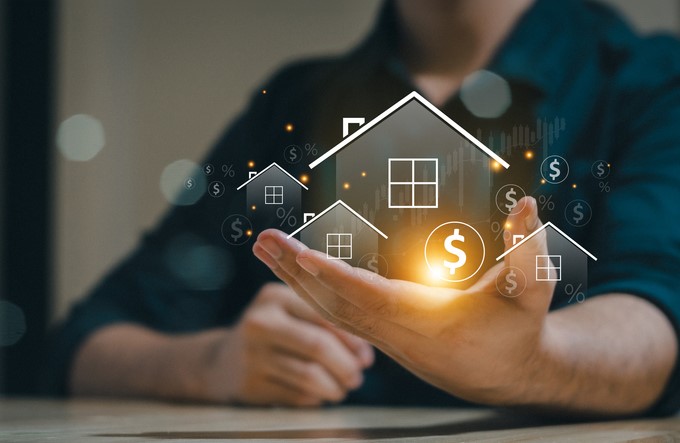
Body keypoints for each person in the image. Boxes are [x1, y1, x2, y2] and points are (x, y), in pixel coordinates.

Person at [50, 0, 680, 416]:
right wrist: (213, 365)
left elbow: (654, 319)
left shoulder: (648, 82)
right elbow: (83, 342)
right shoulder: (294, 102)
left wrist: (530, 357)